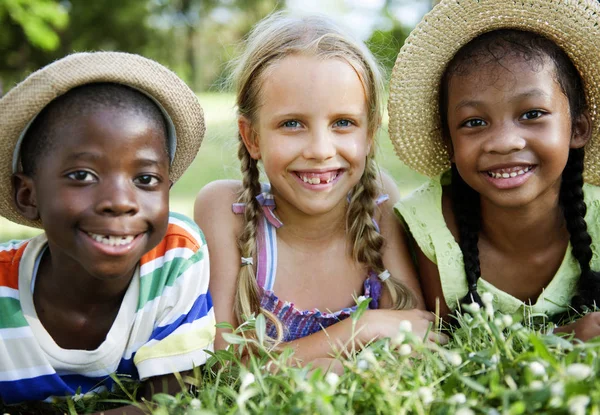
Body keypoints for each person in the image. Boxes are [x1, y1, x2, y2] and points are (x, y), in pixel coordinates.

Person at [195, 12, 445, 364]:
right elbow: (223, 364)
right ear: (252, 137)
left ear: (369, 133)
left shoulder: (377, 200)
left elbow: (416, 329)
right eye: (292, 123)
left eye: (343, 123)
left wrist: (305, 362)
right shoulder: (225, 209)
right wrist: (362, 328)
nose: (320, 150)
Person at [0, 52, 215, 410]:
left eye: (145, 179)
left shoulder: (174, 256)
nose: (119, 202)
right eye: (82, 175)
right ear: (28, 195)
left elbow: (170, 403)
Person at [390, 0, 600, 340]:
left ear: (577, 129)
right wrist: (561, 339)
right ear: (450, 143)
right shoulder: (431, 226)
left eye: (532, 114)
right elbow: (444, 343)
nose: (504, 142)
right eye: (474, 122)